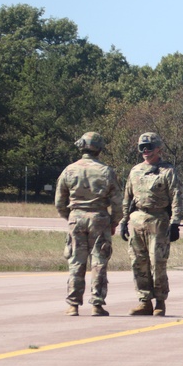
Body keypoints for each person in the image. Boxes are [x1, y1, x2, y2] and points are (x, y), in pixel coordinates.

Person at [54, 132, 124, 316]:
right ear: (99, 148)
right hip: (99, 218)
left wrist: (70, 217)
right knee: (99, 262)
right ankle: (97, 304)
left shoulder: (69, 170)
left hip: (76, 218)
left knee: (76, 262)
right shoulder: (106, 171)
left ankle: (73, 305)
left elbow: (59, 202)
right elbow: (118, 202)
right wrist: (113, 222)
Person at [118, 132, 183, 316]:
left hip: (159, 221)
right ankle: (144, 300)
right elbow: (127, 198)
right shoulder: (135, 170)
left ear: (158, 149)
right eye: (142, 147)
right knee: (138, 262)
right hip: (137, 220)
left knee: (158, 263)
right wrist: (124, 221)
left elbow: (177, 198)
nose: (145, 151)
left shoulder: (167, 171)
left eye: (149, 147)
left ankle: (160, 302)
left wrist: (175, 223)